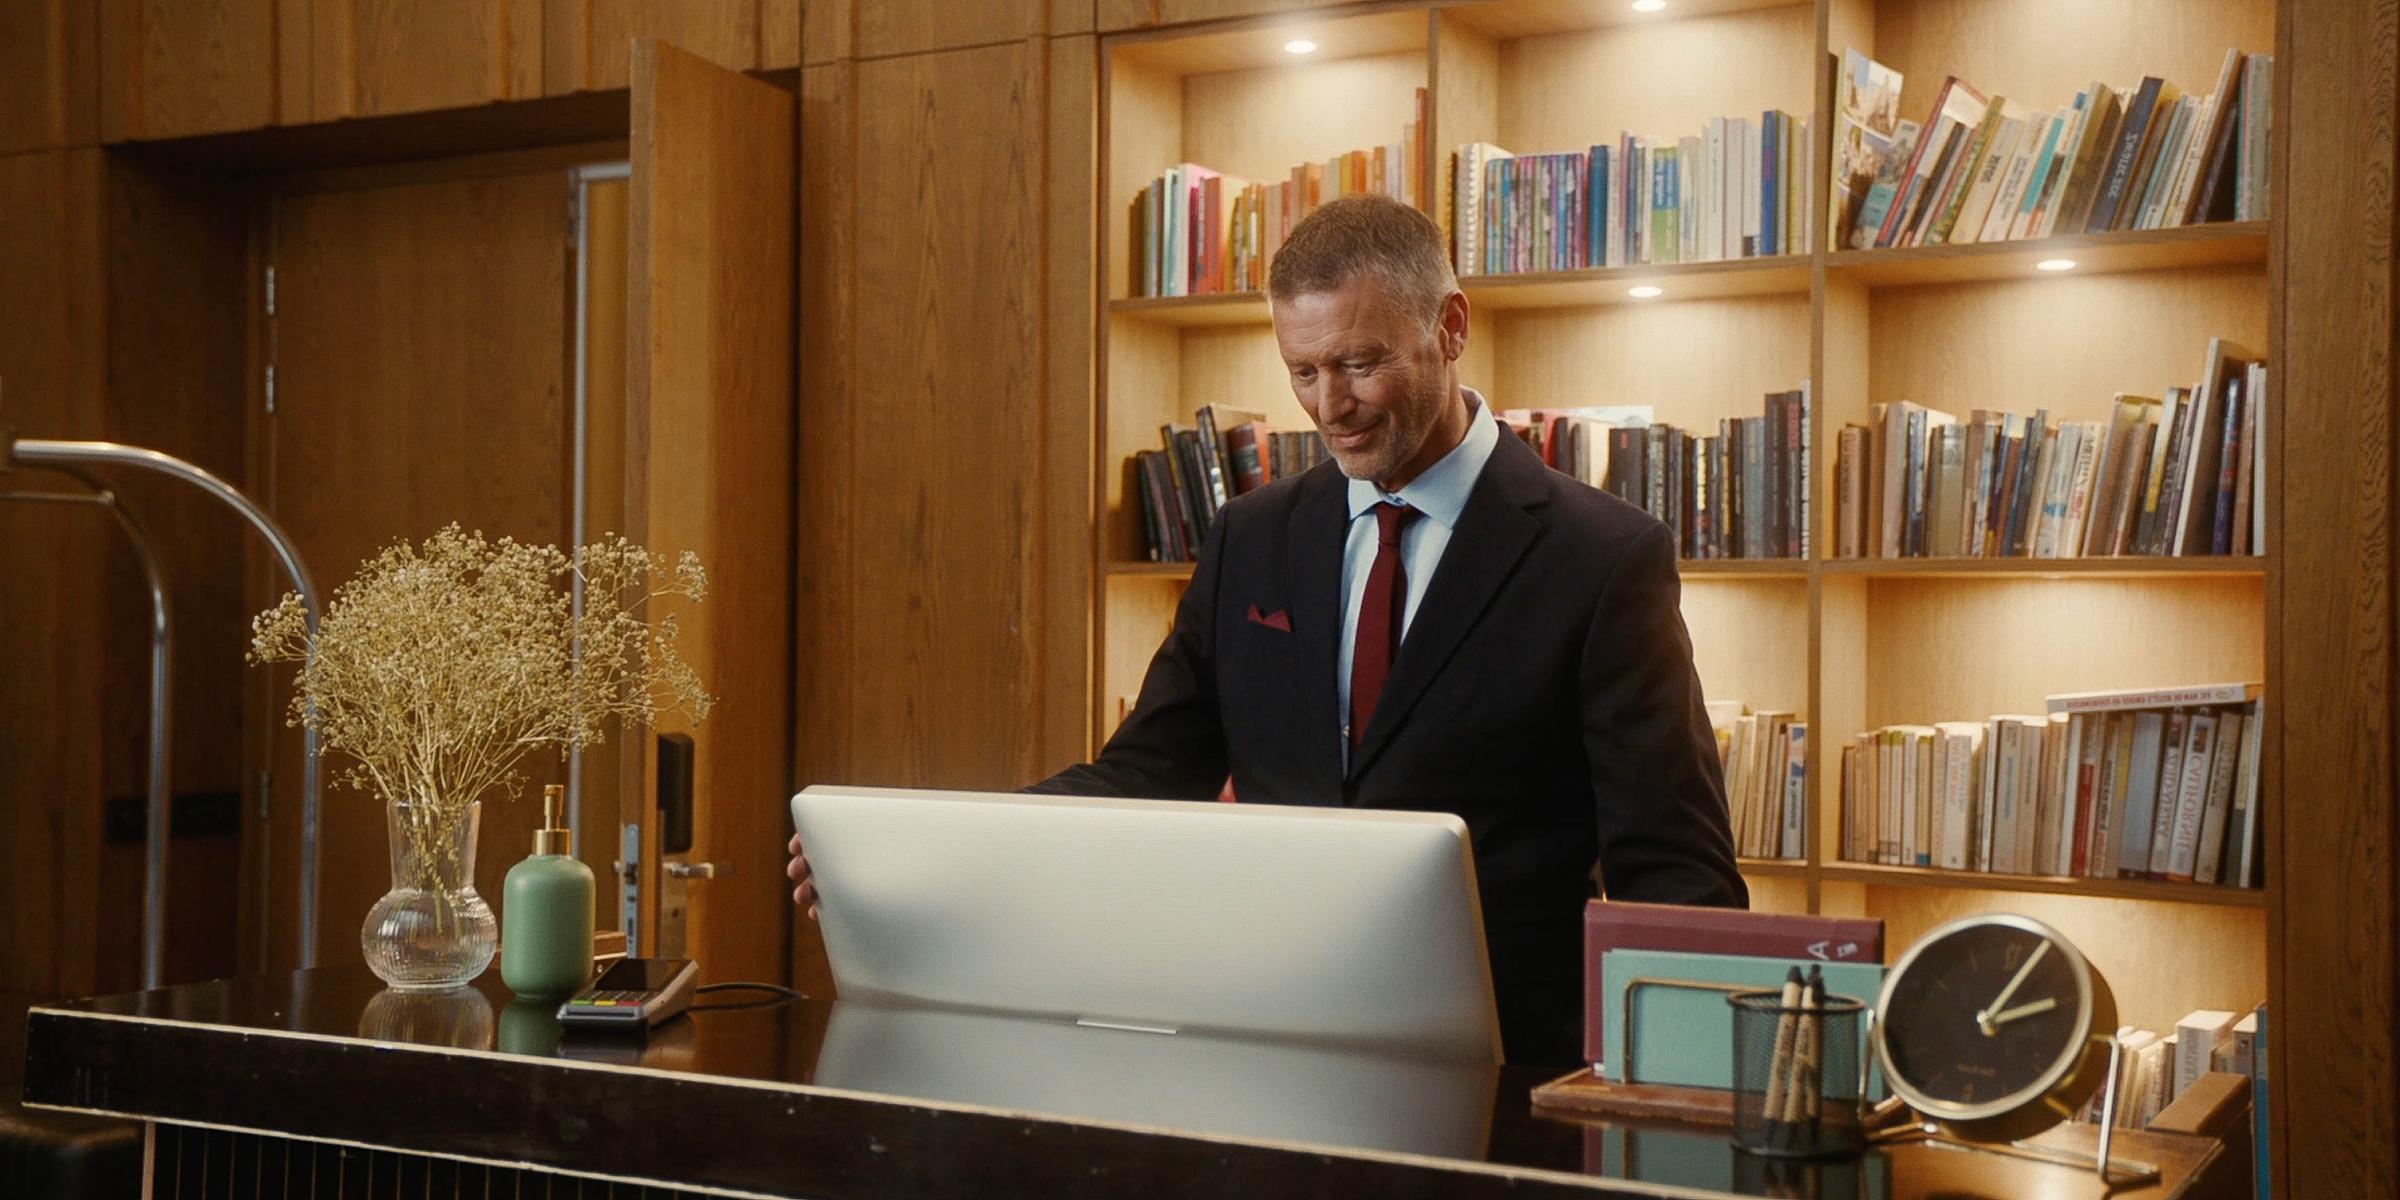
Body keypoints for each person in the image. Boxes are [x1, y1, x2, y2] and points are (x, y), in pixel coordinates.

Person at [792, 194, 1746, 1065]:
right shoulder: (1250, 537)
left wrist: (1677, 1090)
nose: (1331, 406)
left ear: (1450, 326)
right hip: (1266, 1045)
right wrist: (931, 856)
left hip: (1513, 1071)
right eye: (1303, 370)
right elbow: (1145, 774)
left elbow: (1676, 868)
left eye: (1361, 364)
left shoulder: (1604, 556)